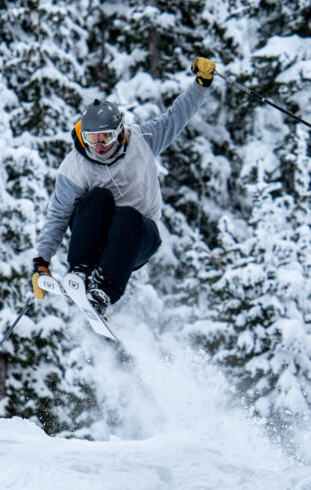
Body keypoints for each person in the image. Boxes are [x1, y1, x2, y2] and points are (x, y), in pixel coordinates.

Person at [30, 57, 216, 316]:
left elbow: (177, 116)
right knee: (97, 198)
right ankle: (81, 273)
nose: (99, 145)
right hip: (95, 238)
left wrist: (201, 84)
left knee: (128, 214)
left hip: (138, 238)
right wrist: (41, 262)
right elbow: (58, 216)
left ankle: (103, 291)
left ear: (119, 131)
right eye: (92, 139)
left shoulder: (143, 140)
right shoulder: (74, 167)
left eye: (105, 137)